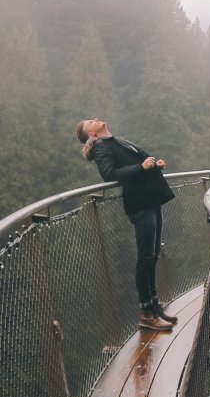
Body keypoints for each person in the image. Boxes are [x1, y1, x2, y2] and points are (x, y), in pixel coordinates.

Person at [76, 117, 178, 331]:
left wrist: (152, 166)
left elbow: (132, 167)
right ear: (92, 134)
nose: (95, 119)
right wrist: (141, 167)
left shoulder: (115, 141)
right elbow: (109, 174)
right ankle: (146, 313)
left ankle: (154, 306)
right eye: (90, 122)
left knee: (152, 256)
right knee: (145, 257)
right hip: (140, 204)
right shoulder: (102, 147)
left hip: (149, 199)